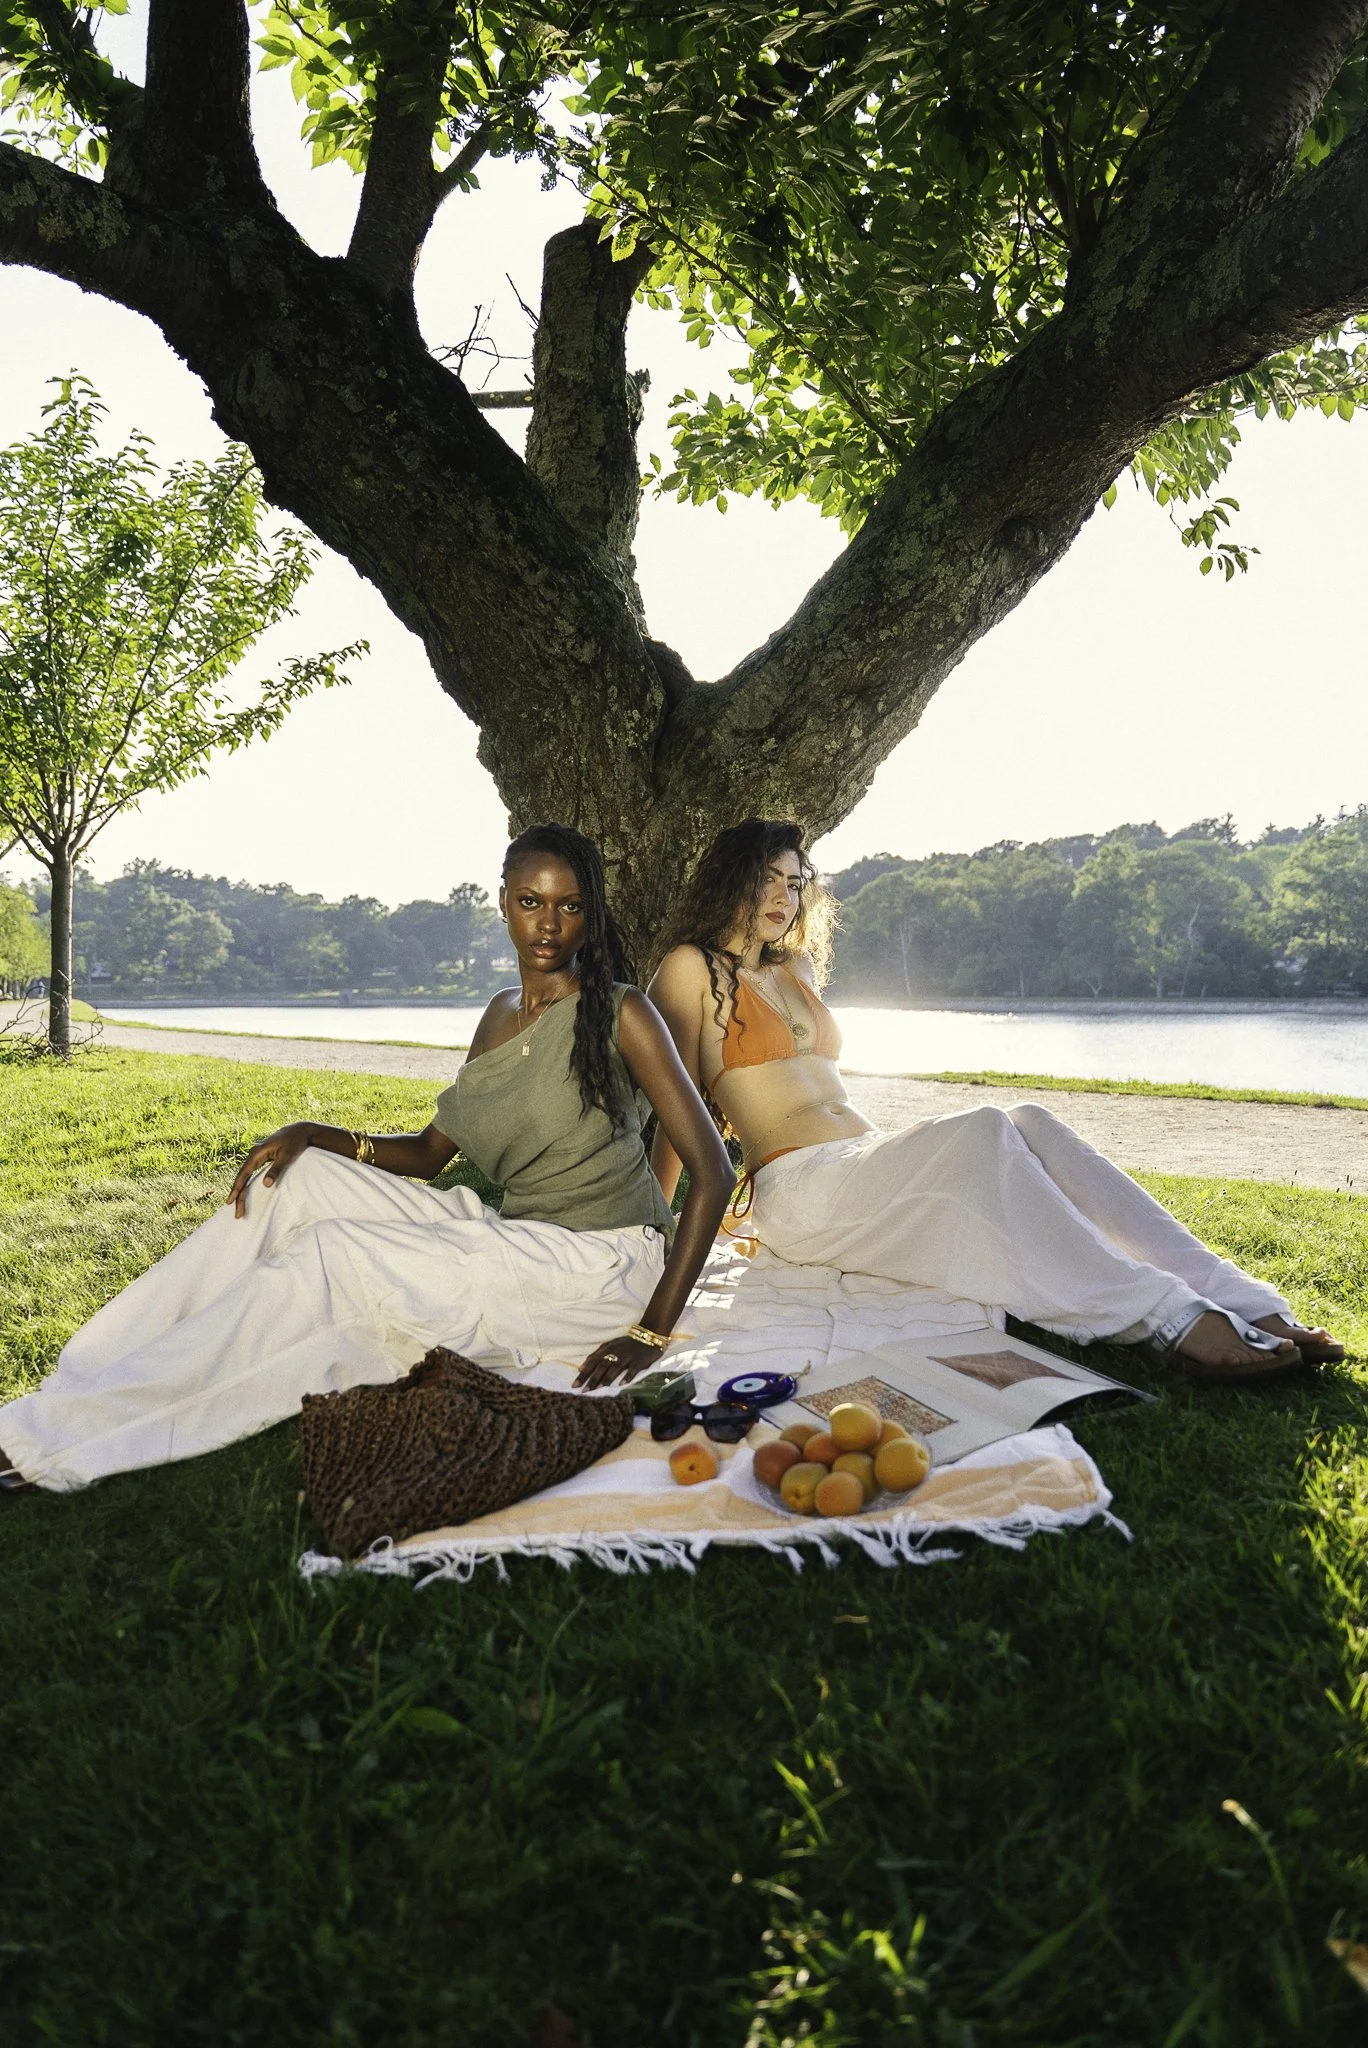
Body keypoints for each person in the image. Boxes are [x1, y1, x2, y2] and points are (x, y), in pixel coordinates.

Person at [0, 825, 733, 1493]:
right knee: (301, 1180)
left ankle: (58, 1439)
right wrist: (320, 1133)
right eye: (531, 902)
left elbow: (713, 1170)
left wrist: (649, 1330)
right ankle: (96, 1369)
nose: (548, 923)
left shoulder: (623, 1010)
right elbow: (428, 1154)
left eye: (569, 907)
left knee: (334, 1255)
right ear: (503, 904)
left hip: (602, 1267)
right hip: (518, 1238)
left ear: (589, 915)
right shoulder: (501, 1014)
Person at [639, 817, 1343, 1388]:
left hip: (861, 1165)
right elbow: (678, 1113)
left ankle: (1242, 1300)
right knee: (979, 1129)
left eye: (796, 883)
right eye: (769, 878)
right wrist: (651, 1228)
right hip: (799, 1192)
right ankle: (1170, 1318)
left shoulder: (796, 966)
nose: (784, 896)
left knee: (1030, 1121)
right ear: (732, 878)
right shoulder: (688, 968)